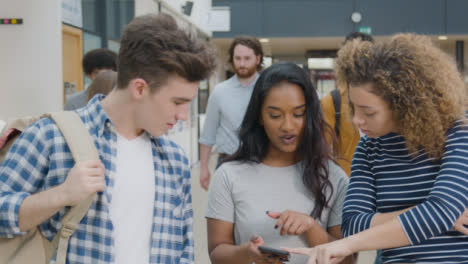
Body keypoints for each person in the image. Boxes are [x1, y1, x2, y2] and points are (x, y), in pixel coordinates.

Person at [0, 13, 216, 264]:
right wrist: (61, 195)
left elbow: (184, 249)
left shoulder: (175, 159)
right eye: (177, 102)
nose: (182, 115)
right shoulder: (51, 137)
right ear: (139, 88)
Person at [285, 34, 468, 264]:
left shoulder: (458, 131)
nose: (357, 120)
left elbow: (441, 208)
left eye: (368, 112)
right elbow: (352, 225)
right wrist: (432, 215)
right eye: (354, 107)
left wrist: (347, 244)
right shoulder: (369, 149)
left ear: (404, 104)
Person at [205, 63, 350, 264]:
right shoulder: (228, 175)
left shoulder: (334, 177)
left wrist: (311, 228)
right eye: (275, 115)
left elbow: (348, 260)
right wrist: (247, 253)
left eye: (298, 114)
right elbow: (216, 251)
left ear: (309, 115)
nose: (287, 126)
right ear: (260, 117)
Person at [199, 36, 264, 190]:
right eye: (238, 58)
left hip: (261, 164)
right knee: (224, 214)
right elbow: (208, 134)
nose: (242, 64)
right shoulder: (220, 91)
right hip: (226, 164)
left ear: (258, 59)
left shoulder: (267, 89)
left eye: (247, 58)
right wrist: (203, 168)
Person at [321, 32, 374, 176]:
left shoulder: (387, 96)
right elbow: (322, 150)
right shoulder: (332, 101)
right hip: (349, 180)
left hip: (382, 179)